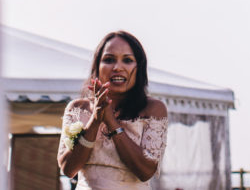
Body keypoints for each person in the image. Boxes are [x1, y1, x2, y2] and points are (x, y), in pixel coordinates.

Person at [57, 31, 169, 190]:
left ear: (139, 68)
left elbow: (145, 172)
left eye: (128, 60)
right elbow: (68, 169)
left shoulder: (153, 109)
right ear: (97, 66)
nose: (117, 67)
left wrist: (111, 121)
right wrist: (95, 119)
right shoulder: (77, 108)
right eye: (109, 60)